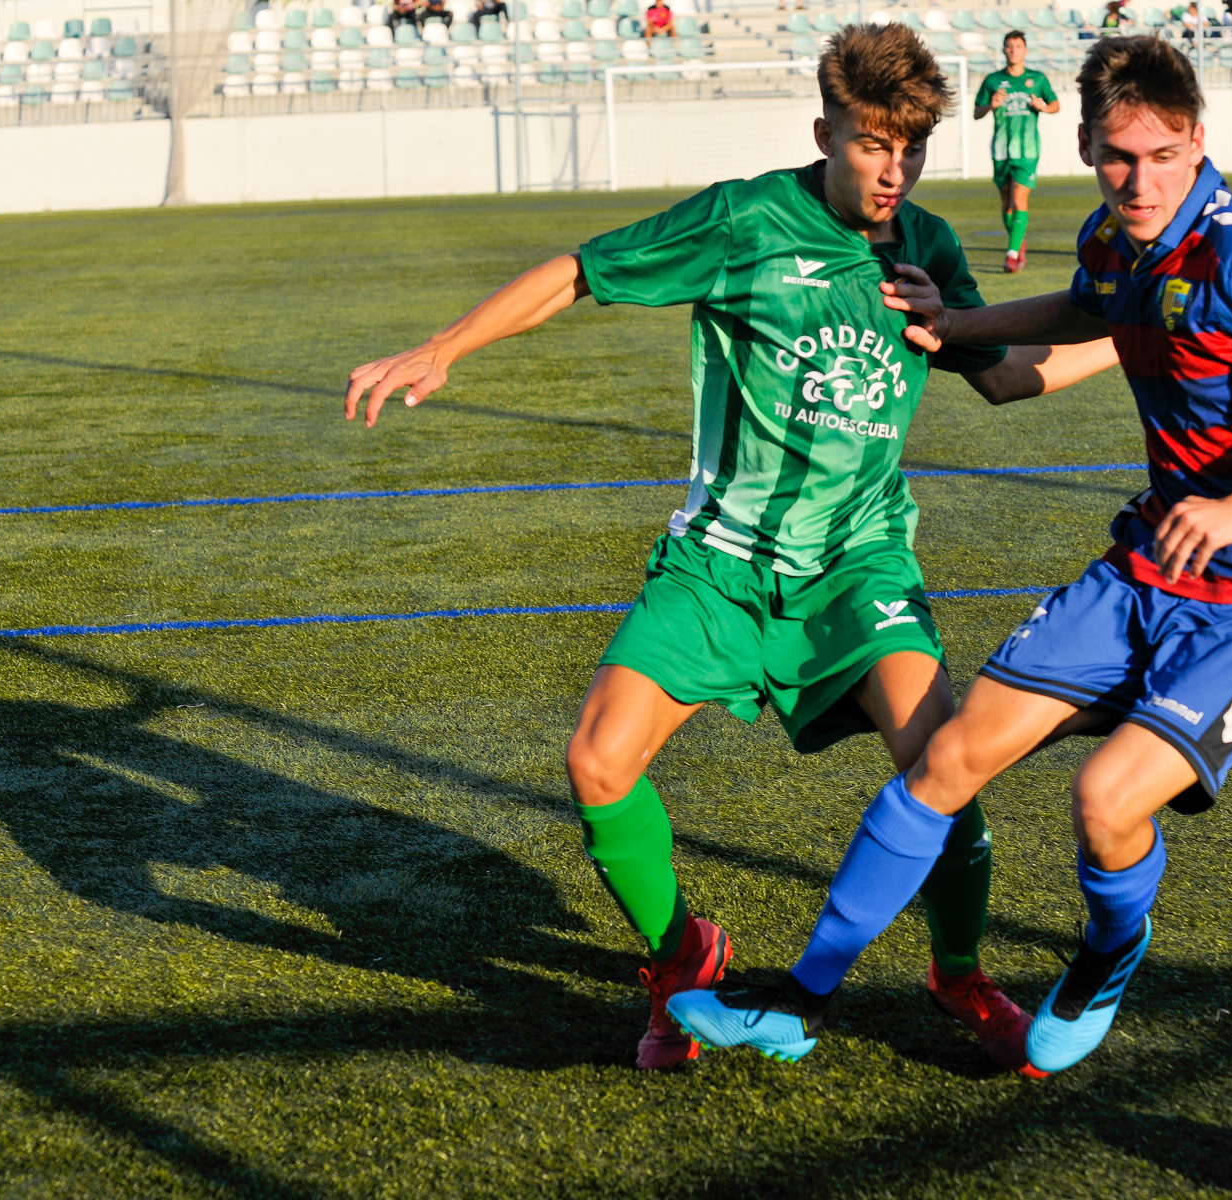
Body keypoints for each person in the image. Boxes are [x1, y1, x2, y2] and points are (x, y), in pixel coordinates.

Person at [343, 22, 1121, 1074]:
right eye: (870, 145)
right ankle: (682, 959)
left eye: (913, 150)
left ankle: (960, 971)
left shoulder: (927, 247)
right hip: (719, 563)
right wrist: (442, 347)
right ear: (824, 131)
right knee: (596, 760)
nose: (893, 172)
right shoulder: (745, 218)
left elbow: (1001, 372)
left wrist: (1141, 333)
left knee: (943, 761)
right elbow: (583, 271)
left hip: (858, 568)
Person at [669, 33, 1232, 1077]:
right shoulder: (1118, 237)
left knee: (1105, 800)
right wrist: (955, 322)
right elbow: (1085, 305)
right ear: (1086, 146)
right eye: (1115, 157)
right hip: (1153, 557)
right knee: (949, 755)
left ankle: (1106, 958)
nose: (1137, 180)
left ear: (1198, 141)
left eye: (1158, 156)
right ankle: (800, 998)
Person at [973, 30, 1059, 274]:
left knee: (1019, 200)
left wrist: (1043, 106)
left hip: (1027, 150)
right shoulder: (992, 80)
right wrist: (991, 105)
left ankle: (1011, 255)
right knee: (1006, 204)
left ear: (1025, 50)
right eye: (1009, 46)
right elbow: (976, 113)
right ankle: (1018, 242)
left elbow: (1055, 104)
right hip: (1001, 149)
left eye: (1018, 46)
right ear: (1003, 50)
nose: (1013, 50)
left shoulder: (1037, 78)